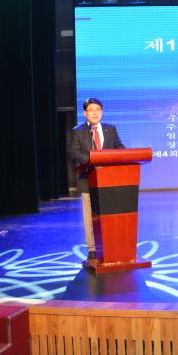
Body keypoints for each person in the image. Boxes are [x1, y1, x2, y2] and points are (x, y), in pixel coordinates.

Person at [70, 97, 125, 260]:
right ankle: (92, 248)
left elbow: (119, 148)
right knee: (90, 216)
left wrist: (123, 155)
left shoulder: (111, 129)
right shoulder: (78, 131)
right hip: (88, 179)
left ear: (102, 112)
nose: (95, 113)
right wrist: (94, 160)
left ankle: (111, 244)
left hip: (109, 180)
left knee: (110, 214)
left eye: (98, 109)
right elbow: (75, 153)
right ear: (85, 113)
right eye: (91, 110)